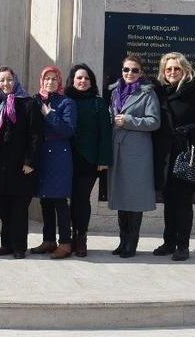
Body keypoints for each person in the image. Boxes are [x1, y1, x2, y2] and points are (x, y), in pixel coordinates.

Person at [152, 52, 195, 261]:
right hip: (165, 155)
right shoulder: (160, 92)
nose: (172, 72)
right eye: (168, 69)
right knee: (169, 199)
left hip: (186, 154)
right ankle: (169, 242)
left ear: (185, 70)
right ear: (163, 72)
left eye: (176, 69)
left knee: (182, 201)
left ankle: (183, 245)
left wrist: (190, 129)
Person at [107, 54, 160, 258]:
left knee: (135, 198)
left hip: (137, 153)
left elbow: (154, 122)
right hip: (118, 149)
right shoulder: (114, 92)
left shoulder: (147, 94)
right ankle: (122, 242)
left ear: (141, 73)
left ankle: (132, 244)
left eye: (134, 70)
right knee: (121, 196)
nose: (130, 73)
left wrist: (128, 120)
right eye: (126, 69)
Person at [0, 67, 42, 259]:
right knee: (3, 208)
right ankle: (6, 244)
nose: (6, 84)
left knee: (19, 209)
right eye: (2, 80)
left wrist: (30, 161)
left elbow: (36, 135)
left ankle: (19, 246)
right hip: (1, 167)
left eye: (9, 79)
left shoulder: (29, 104)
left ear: (16, 80)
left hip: (22, 167)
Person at [65, 64, 112, 257]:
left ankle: (81, 237)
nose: (82, 81)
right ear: (72, 81)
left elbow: (105, 133)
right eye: (79, 78)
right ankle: (69, 237)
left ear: (91, 81)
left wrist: (103, 159)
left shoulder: (98, 103)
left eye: (86, 78)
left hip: (89, 160)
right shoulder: (65, 100)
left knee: (82, 199)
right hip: (66, 159)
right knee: (67, 200)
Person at [31, 66, 76, 259]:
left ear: (59, 81)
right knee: (45, 199)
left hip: (59, 154)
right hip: (42, 155)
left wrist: (49, 114)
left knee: (59, 200)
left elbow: (68, 130)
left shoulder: (67, 102)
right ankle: (48, 240)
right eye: (46, 79)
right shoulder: (35, 100)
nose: (50, 82)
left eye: (53, 79)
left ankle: (65, 242)